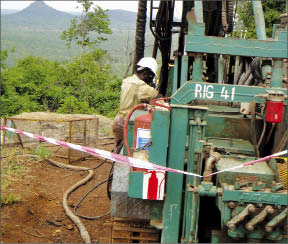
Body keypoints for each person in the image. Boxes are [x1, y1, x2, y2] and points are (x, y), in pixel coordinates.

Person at [112, 57, 161, 151]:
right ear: (145, 72)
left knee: (119, 148)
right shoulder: (140, 85)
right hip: (128, 122)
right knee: (128, 150)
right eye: (150, 76)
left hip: (119, 120)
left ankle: (116, 163)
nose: (150, 79)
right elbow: (158, 97)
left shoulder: (127, 80)